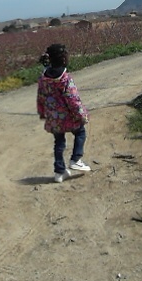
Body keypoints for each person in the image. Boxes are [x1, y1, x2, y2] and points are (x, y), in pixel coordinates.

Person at [37, 44, 91, 183]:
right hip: (69, 116)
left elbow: (41, 96)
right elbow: (73, 100)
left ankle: (59, 173)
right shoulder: (65, 78)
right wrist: (81, 115)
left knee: (59, 142)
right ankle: (76, 159)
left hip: (53, 118)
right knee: (80, 133)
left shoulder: (43, 77)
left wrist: (42, 112)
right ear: (63, 59)